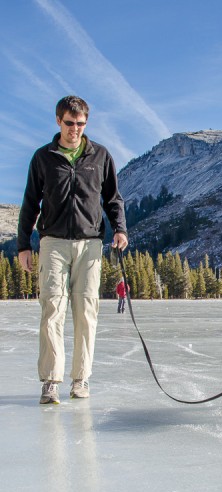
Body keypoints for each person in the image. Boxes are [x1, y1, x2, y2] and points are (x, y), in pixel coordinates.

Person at [18, 96, 128, 405]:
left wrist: (120, 228)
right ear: (58, 121)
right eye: (69, 123)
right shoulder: (43, 158)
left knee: (86, 312)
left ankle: (80, 380)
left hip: (90, 244)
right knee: (52, 308)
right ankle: (51, 381)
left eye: (80, 124)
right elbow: (30, 203)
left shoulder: (100, 156)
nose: (75, 130)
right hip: (52, 242)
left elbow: (113, 198)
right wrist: (24, 245)